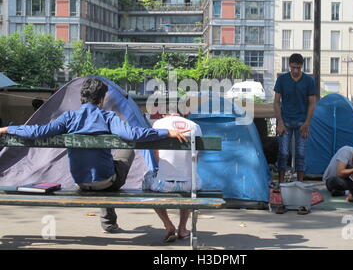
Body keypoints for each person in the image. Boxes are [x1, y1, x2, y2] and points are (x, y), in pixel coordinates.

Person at [0, 78, 190, 233]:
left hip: (80, 181)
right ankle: (109, 222)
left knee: (100, 164)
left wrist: (9, 128)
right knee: (126, 151)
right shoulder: (108, 117)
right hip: (107, 181)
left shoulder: (68, 117)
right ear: (102, 99)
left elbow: (37, 132)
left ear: (82, 97)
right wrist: (166, 132)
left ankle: (108, 223)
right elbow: (133, 135)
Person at [142, 112, 202, 243]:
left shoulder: (158, 124)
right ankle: (182, 228)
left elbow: (157, 155)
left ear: (165, 114)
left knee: (147, 179)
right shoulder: (195, 126)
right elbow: (196, 157)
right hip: (190, 185)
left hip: (164, 185)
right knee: (189, 177)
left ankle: (168, 224)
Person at [273, 53, 316, 184]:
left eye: (298, 67)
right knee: (283, 153)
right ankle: (281, 183)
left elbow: (312, 103)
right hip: (285, 121)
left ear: (302, 66)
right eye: (293, 68)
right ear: (289, 66)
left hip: (301, 122)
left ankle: (300, 184)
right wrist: (279, 121)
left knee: (301, 154)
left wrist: (307, 123)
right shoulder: (282, 79)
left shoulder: (309, 81)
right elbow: (276, 102)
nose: (296, 71)